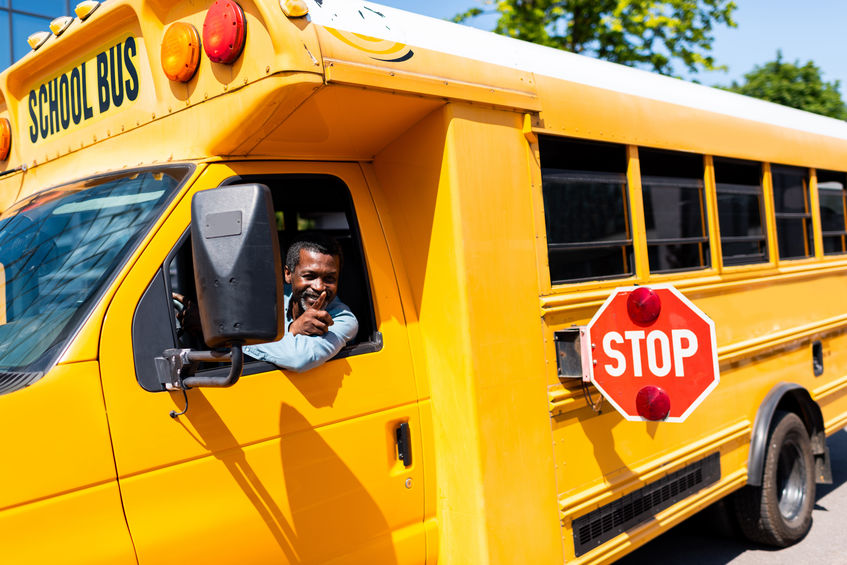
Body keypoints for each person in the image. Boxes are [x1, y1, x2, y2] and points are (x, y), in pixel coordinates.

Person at [243, 234, 358, 372]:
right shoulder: (269, 299)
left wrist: (241, 341)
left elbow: (298, 358)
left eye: (329, 278)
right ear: (288, 274)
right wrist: (293, 330)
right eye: (309, 276)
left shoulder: (343, 319)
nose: (319, 287)